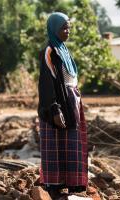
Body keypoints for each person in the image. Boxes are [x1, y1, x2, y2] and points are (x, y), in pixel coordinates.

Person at [37, 12, 88, 199]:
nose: (67, 31)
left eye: (69, 27)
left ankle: (70, 184)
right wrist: (54, 109)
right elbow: (47, 84)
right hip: (58, 106)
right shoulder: (50, 51)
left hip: (71, 103)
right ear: (53, 29)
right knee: (57, 146)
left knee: (71, 143)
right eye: (63, 28)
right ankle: (54, 188)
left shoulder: (64, 50)